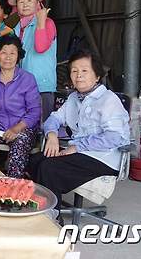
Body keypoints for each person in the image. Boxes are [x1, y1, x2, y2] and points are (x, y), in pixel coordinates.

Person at [28, 49, 130, 215]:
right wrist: (52, 135)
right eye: (74, 71)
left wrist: (77, 147)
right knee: (36, 160)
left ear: (97, 76)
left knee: (49, 168)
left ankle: (52, 218)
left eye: (84, 71)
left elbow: (115, 137)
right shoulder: (74, 98)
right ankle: (41, 208)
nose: (78, 75)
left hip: (103, 157)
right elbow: (53, 119)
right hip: (80, 153)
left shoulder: (108, 99)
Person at [0, 34, 41, 178]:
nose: (8, 57)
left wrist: (16, 128)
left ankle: (12, 189)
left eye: (12, 53)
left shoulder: (27, 79)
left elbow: (35, 111)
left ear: (18, 56)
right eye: (4, 52)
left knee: (19, 147)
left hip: (22, 127)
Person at [8, 0, 57, 122]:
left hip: (42, 86)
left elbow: (41, 47)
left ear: (38, 4)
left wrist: (40, 22)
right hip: (21, 86)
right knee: (25, 128)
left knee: (42, 129)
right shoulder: (17, 28)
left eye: (29, 0)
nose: (25, 4)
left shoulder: (48, 22)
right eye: (21, 1)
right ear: (16, 7)